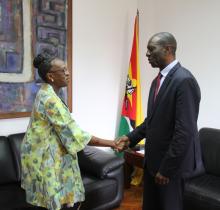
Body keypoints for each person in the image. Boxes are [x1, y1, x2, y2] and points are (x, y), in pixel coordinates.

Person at [116, 32, 204, 210]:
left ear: (168, 49)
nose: (147, 54)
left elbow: (184, 132)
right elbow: (153, 120)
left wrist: (167, 168)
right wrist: (130, 137)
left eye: (151, 49)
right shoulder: (157, 81)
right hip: (154, 162)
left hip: (171, 168)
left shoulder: (184, 80)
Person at [21, 51, 118, 210]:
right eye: (63, 70)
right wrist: (112, 143)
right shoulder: (51, 100)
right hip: (44, 159)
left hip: (39, 155)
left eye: (67, 69)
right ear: (51, 76)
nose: (68, 73)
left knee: (52, 201)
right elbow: (76, 135)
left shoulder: (45, 91)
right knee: (53, 203)